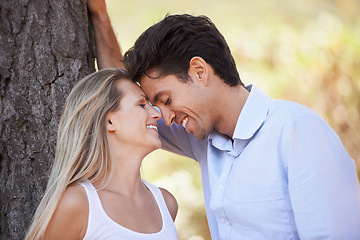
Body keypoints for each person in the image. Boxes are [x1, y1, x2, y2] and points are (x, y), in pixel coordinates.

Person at [89, 1, 360, 239]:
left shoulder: (296, 130)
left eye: (166, 100)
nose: (165, 118)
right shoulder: (202, 137)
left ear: (198, 71)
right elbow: (123, 99)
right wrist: (99, 15)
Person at [25, 68, 178, 240]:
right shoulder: (77, 204)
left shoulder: (166, 203)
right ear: (109, 121)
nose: (157, 114)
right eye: (142, 105)